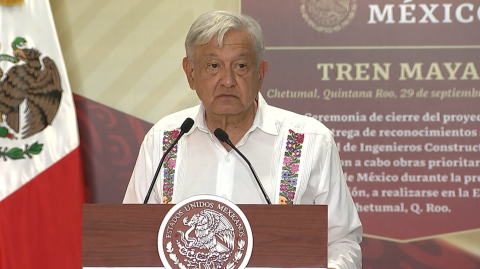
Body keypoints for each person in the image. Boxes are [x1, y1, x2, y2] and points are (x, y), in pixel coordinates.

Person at [123, 10, 362, 269]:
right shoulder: (163, 140)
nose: (227, 81)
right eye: (213, 66)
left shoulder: (310, 141)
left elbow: (342, 241)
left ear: (260, 72)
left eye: (240, 66)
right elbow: (130, 238)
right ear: (190, 73)